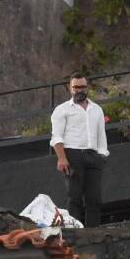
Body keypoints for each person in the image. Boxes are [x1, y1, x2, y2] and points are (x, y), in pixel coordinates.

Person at [49, 72, 109, 227]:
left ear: (87, 88)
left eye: (82, 87)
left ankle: (93, 234)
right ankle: (74, 233)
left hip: (94, 156)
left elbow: (101, 136)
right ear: (70, 88)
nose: (79, 90)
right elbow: (57, 137)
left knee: (94, 199)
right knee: (74, 197)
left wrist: (102, 155)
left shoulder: (97, 109)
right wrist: (62, 158)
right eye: (76, 87)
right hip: (73, 154)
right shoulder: (62, 110)